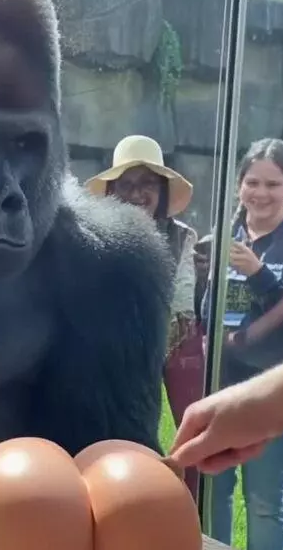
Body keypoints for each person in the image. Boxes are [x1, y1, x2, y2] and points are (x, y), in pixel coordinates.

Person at [200, 138, 283, 550]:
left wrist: (259, 274)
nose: (261, 193)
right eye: (253, 182)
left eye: (272, 184)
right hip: (222, 384)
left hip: (276, 389)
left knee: (264, 500)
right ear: (239, 185)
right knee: (214, 488)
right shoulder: (228, 229)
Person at [86, 135, 204, 500]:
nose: (137, 194)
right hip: (112, 345)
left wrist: (150, 348)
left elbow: (183, 304)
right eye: (128, 184)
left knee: (193, 428)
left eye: (147, 184)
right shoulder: (96, 236)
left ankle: (190, 499)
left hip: (172, 340)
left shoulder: (183, 237)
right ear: (113, 190)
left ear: (163, 191)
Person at [170, 340, 283, 550]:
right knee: (221, 493)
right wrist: (276, 397)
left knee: (265, 505)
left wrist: (247, 339)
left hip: (269, 359)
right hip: (235, 375)